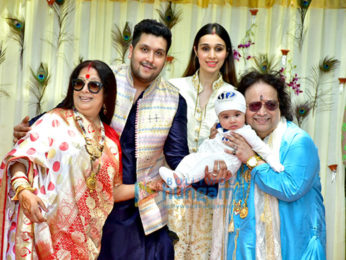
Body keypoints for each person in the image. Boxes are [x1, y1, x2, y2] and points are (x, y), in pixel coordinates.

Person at [0, 60, 125, 259]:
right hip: (45, 231)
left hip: (86, 243)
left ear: (107, 93)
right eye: (79, 84)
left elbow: (113, 190)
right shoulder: (54, 120)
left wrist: (146, 188)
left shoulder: (111, 140)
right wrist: (24, 192)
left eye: (93, 85)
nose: (84, 90)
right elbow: (19, 159)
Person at [210, 71, 326, 259]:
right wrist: (215, 150)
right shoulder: (239, 139)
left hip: (292, 246)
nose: (262, 112)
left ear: (280, 106)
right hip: (245, 247)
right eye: (254, 106)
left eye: (270, 105)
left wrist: (252, 160)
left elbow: (290, 188)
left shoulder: (297, 142)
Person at [166, 23, 236, 259]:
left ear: (227, 53)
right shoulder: (173, 87)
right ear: (195, 50)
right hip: (171, 193)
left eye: (219, 49)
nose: (212, 55)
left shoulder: (233, 96)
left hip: (212, 197)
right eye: (206, 48)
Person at [159, 88, 284, 189]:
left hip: (228, 162)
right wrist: (201, 152)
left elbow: (261, 147)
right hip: (214, 156)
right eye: (226, 117)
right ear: (219, 119)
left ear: (244, 114)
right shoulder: (219, 129)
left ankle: (184, 181)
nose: (232, 120)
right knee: (189, 158)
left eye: (237, 115)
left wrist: (274, 163)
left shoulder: (245, 131)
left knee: (206, 163)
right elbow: (210, 143)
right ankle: (177, 176)